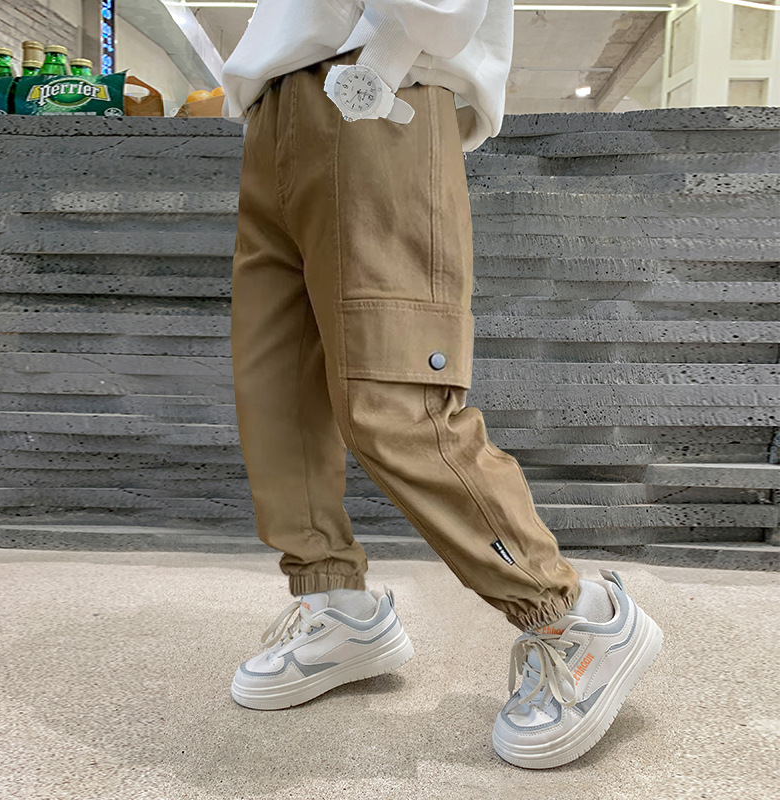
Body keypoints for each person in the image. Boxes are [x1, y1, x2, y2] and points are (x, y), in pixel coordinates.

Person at [221, 0, 663, 769]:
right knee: (276, 394)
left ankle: (574, 614)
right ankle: (336, 604)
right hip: (274, 110)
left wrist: (386, 57)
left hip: (375, 92)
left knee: (394, 400)